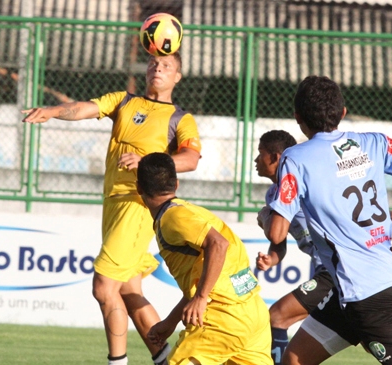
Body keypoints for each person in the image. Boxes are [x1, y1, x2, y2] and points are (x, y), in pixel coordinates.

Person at [22, 52, 201, 365]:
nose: (158, 68)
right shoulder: (123, 101)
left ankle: (117, 363)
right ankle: (168, 359)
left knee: (104, 286)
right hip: (113, 204)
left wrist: (147, 162)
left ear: (177, 77)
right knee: (130, 291)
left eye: (167, 66)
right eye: (154, 64)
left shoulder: (179, 118)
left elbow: (191, 159)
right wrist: (51, 111)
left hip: (138, 204)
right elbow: (83, 108)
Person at [262, 75, 392, 365]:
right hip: (357, 288)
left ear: (297, 117)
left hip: (367, 296)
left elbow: (277, 233)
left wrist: (271, 213)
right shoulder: (375, 143)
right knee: (294, 360)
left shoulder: (295, 158)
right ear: (343, 112)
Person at [255, 130, 392, 365]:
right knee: (299, 357)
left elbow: (278, 230)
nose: (256, 161)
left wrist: (266, 217)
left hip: (348, 278)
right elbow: (280, 241)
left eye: (260, 154)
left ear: (278, 156)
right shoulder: (280, 192)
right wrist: (271, 258)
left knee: (278, 316)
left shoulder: (302, 168)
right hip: (343, 286)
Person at [136, 152, 272, 365]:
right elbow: (202, 278)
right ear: (176, 184)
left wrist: (200, 298)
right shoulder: (194, 212)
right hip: (253, 313)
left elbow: (218, 244)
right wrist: (171, 322)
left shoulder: (173, 217)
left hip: (221, 318)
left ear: (139, 189)